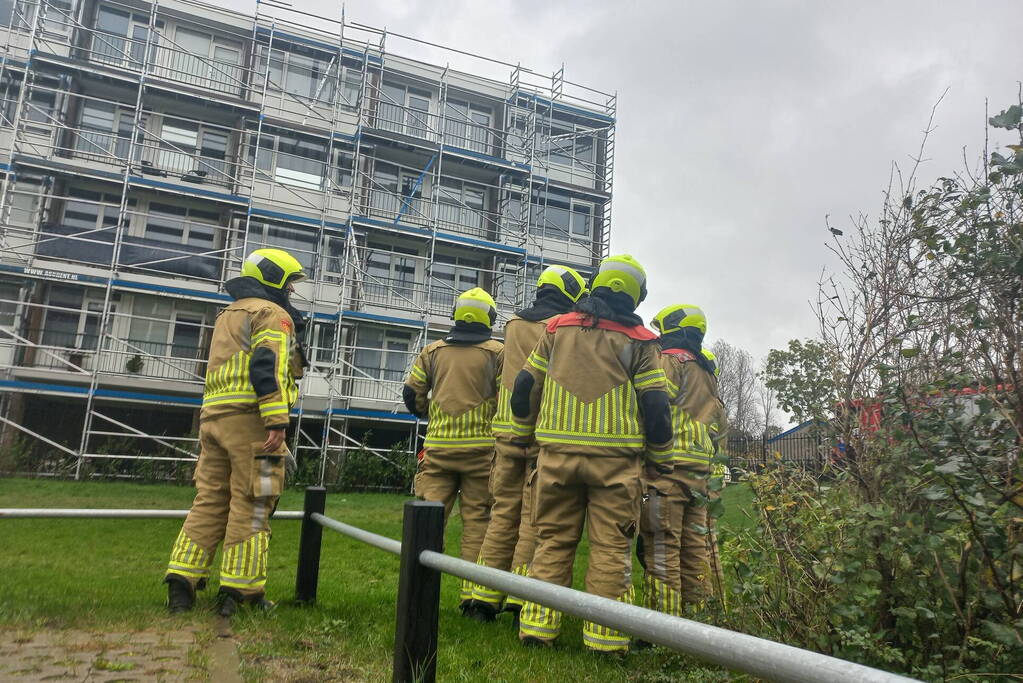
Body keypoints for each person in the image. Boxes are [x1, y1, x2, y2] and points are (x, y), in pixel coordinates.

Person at [511, 255, 673, 653]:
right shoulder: (640, 341)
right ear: (635, 295)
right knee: (611, 548)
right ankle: (605, 640)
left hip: (555, 459)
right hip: (615, 466)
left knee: (552, 541)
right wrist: (661, 456)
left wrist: (522, 436)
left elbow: (523, 385)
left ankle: (537, 628)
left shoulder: (556, 328)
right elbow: (655, 405)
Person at [165, 248, 308, 616]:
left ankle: (182, 579)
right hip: (254, 425)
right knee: (255, 502)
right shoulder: (272, 315)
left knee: (210, 499)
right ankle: (242, 592)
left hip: (213, 421)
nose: (291, 292)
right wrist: (276, 420)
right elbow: (268, 365)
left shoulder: (227, 314)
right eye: (290, 284)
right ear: (275, 279)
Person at [468, 265, 587, 623]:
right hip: (540, 433)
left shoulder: (513, 323)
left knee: (502, 513)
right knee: (534, 520)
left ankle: (482, 596)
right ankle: (523, 597)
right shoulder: (563, 327)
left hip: (506, 432)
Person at [403, 287, 504, 612]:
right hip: (481, 452)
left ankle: (417, 591)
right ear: (489, 318)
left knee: (427, 521)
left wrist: (428, 412)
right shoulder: (497, 353)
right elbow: (508, 398)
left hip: (439, 451)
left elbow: (411, 392)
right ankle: (472, 598)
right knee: (478, 523)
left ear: (456, 315)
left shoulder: (433, 351)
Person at [638, 304, 725, 618]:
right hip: (698, 472)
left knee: (662, 548)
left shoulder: (670, 361)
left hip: (668, 469)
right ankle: (700, 620)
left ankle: (662, 627)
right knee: (694, 551)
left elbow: (654, 403)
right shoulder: (705, 371)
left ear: (674, 328)